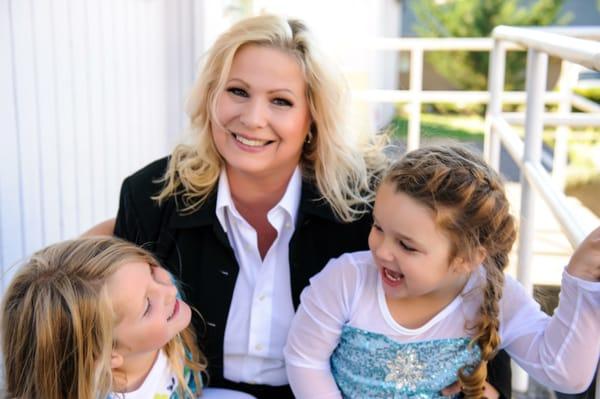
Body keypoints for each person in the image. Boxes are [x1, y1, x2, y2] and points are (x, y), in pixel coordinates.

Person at [84, 15, 512, 398]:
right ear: (211, 98)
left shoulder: (373, 206)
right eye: (237, 91)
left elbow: (467, 272)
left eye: (281, 101)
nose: (253, 118)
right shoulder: (152, 195)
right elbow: (97, 313)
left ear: (313, 118)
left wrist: (487, 385)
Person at [284, 145, 600, 398]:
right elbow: (305, 360)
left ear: (467, 258)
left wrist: (581, 283)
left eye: (407, 246)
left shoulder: (492, 293)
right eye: (378, 227)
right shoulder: (345, 280)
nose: (380, 250)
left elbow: (565, 373)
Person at [1, 237, 255, 399]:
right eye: (147, 306)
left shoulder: (151, 305)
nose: (168, 290)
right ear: (109, 354)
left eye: (153, 272)